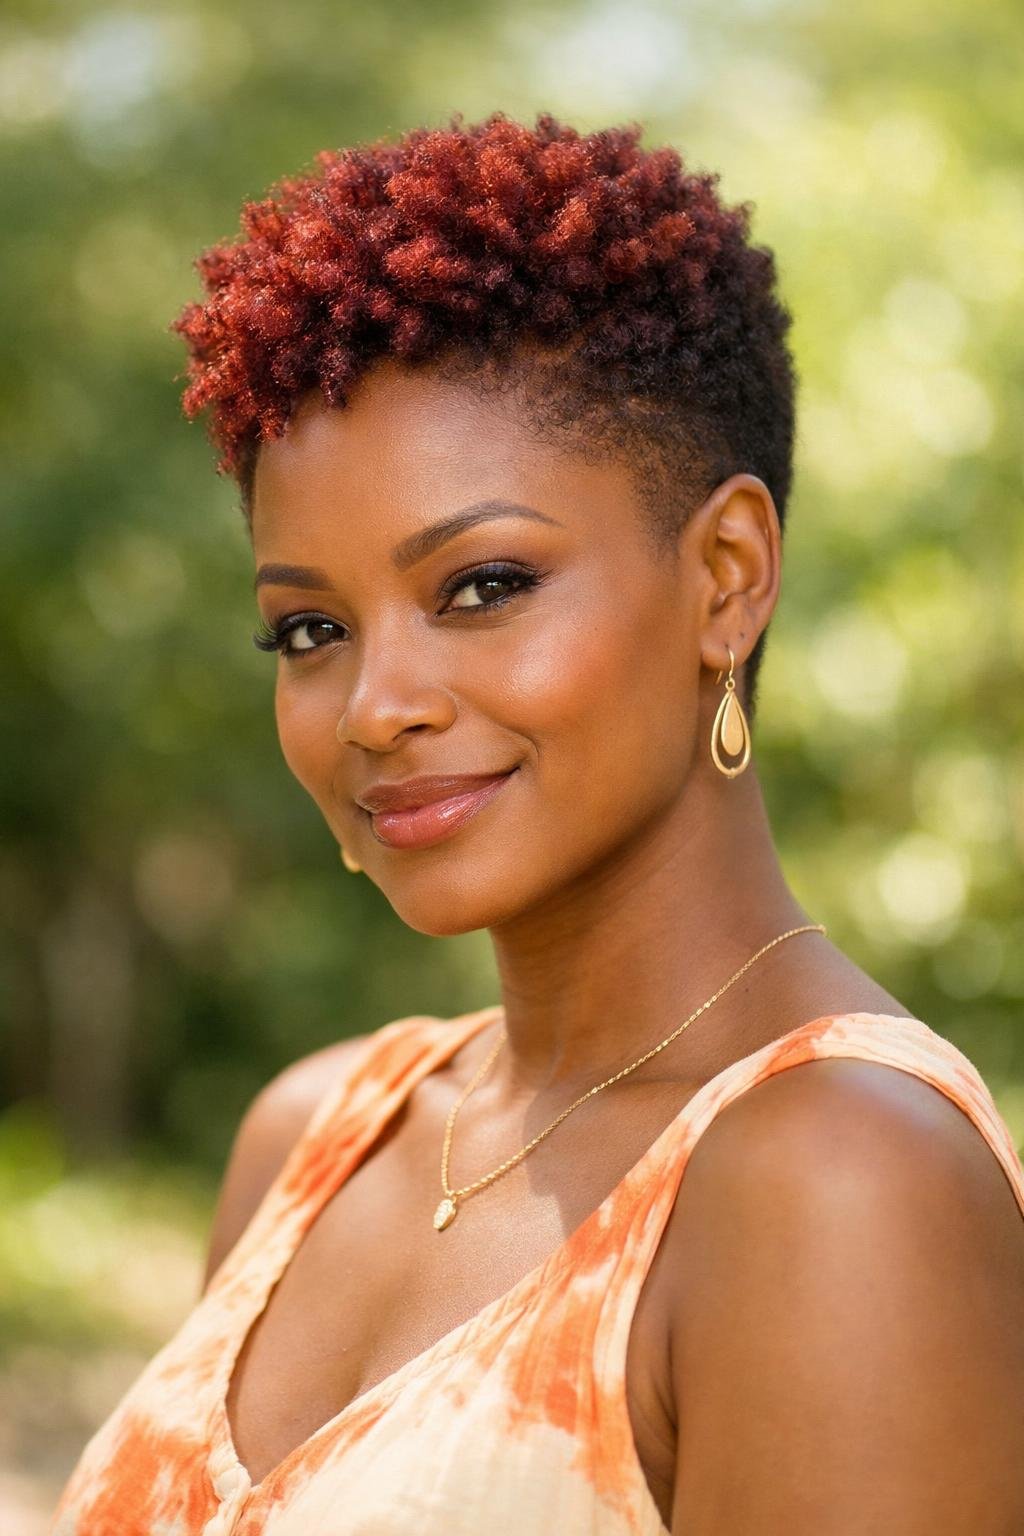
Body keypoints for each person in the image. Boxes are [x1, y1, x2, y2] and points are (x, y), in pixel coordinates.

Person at [50, 111, 1024, 1535]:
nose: (374, 706)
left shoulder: (836, 1178)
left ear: (728, 577)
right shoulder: (317, 1136)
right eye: (310, 628)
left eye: (483, 586)